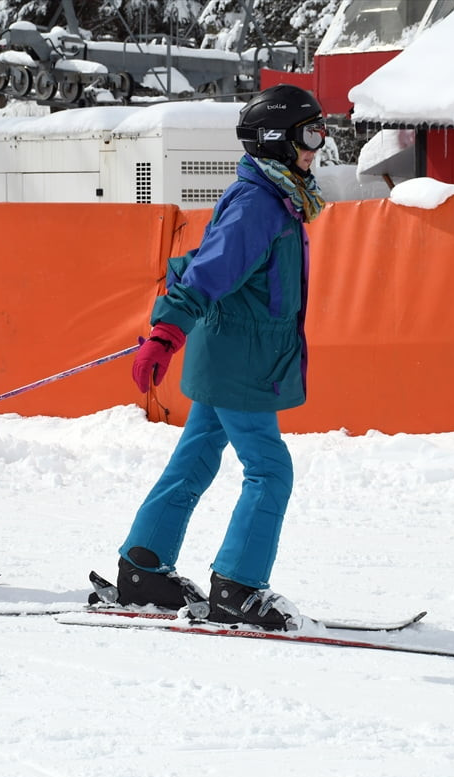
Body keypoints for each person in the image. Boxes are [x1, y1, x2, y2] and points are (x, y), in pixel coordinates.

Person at [114, 84, 328, 630]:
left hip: (235, 351)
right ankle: (237, 587)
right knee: (270, 470)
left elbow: (212, 267)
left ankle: (144, 568)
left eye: (320, 131)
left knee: (196, 458)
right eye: (309, 133)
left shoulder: (274, 196)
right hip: (241, 358)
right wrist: (166, 332)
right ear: (278, 139)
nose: (317, 145)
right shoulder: (260, 203)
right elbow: (210, 272)